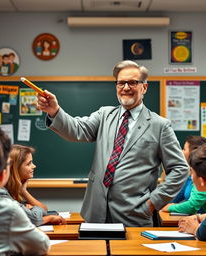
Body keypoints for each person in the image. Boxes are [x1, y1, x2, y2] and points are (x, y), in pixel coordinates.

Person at [37, 60, 189, 227]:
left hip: (134, 215)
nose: (125, 87)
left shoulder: (159, 125)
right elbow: (76, 129)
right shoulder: (104, 115)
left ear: (144, 87)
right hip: (96, 211)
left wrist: (152, 203)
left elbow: (180, 169)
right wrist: (54, 111)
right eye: (121, 82)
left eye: (132, 82)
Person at [0, 127, 50, 255]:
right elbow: (42, 245)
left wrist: (23, 192)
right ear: (3, 173)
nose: (34, 166)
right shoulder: (7, 208)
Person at [0, 144, 66, 226]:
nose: (34, 166)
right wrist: (49, 218)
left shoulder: (11, 189)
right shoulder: (0, 193)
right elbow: (34, 219)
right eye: (29, 163)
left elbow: (44, 210)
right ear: (15, 168)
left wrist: (24, 191)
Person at [161, 135, 206, 214]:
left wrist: (170, 207)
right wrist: (162, 204)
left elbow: (192, 206)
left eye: (184, 149)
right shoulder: (191, 174)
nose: (181, 151)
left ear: (193, 152)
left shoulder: (205, 175)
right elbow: (179, 196)